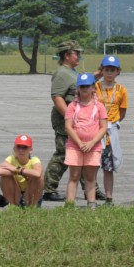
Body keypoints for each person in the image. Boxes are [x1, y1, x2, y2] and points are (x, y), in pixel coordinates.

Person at [44, 40, 90, 201]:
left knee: (82, 152)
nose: (79, 56)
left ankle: (90, 189)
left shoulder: (73, 72)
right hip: (65, 122)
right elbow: (57, 98)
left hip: (77, 120)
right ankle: (49, 189)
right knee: (63, 154)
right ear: (66, 55)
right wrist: (70, 118)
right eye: (76, 53)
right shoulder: (62, 73)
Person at [64, 72, 108, 209]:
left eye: (87, 86)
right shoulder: (72, 106)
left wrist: (91, 143)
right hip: (74, 145)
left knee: (90, 176)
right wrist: (79, 142)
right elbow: (68, 126)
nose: (84, 89)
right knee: (74, 175)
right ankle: (70, 204)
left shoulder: (99, 106)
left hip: (93, 146)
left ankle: (91, 203)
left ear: (93, 88)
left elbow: (103, 127)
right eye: (82, 86)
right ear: (78, 88)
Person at [95, 55, 128, 205]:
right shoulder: (94, 87)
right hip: (94, 132)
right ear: (102, 70)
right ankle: (91, 194)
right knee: (92, 166)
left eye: (112, 70)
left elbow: (122, 112)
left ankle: (109, 197)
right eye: (106, 69)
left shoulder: (122, 90)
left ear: (118, 72)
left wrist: (111, 124)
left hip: (110, 133)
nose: (109, 73)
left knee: (108, 167)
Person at [0, 134, 44, 207]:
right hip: (16, 191)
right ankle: (12, 207)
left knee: (39, 178)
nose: (21, 150)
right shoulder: (11, 158)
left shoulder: (34, 160)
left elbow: (37, 173)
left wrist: (17, 169)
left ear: (30, 150)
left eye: (25, 147)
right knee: (5, 177)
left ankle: (32, 206)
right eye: (18, 147)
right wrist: (22, 172)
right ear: (14, 148)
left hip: (29, 191)